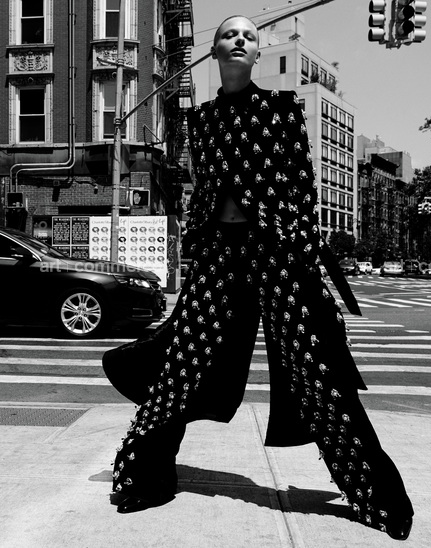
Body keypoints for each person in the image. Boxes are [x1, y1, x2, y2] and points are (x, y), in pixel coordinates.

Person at [109, 15, 413, 541]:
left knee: (313, 368)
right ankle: (144, 475)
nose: (241, 40)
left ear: (255, 54)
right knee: (182, 361)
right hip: (217, 253)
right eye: (230, 34)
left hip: (275, 251)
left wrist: (301, 252)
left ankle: (374, 494)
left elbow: (302, 185)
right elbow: (204, 188)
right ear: (215, 51)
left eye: (249, 37)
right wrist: (197, 242)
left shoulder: (281, 107)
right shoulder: (200, 120)